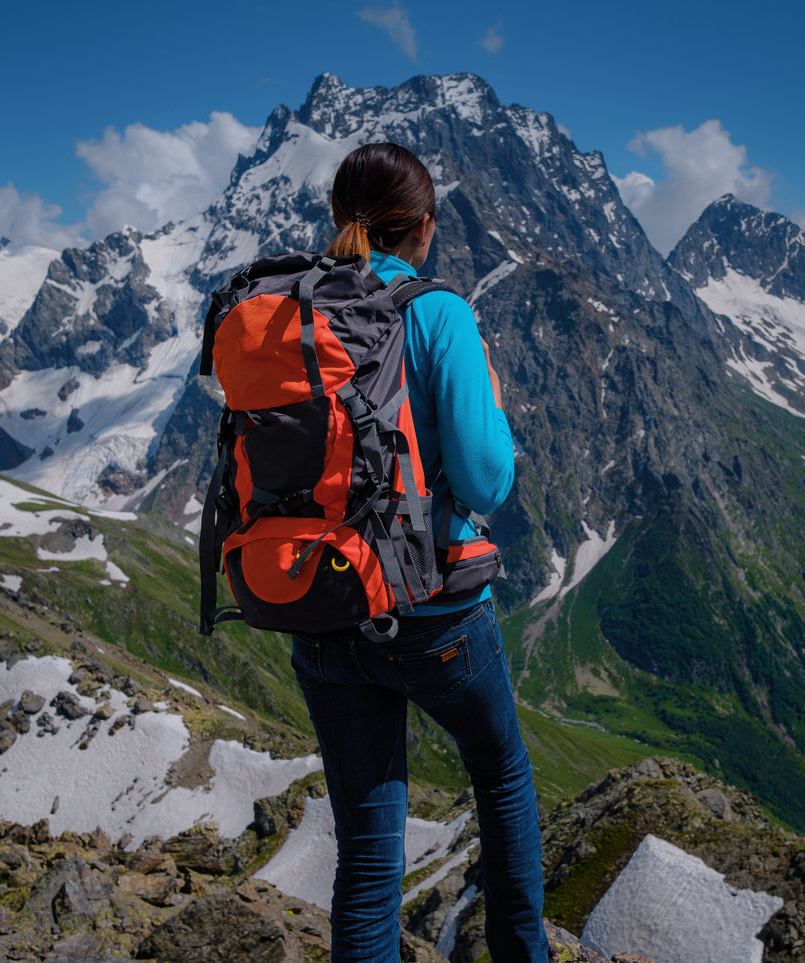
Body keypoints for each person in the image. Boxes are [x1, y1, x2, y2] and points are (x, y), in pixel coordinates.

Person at [289, 142, 548, 963]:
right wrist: (491, 404)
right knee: (500, 776)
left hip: (322, 607)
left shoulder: (291, 310)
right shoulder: (438, 313)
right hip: (431, 610)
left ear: (339, 218)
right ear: (425, 227)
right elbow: (484, 480)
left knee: (368, 854)